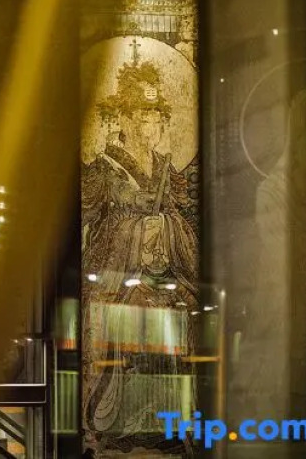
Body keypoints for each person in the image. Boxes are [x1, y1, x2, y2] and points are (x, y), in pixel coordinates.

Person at [82, 56, 198, 455]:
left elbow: (183, 217)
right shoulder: (105, 169)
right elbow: (86, 220)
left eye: (157, 116)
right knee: (133, 314)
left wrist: (164, 226)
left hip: (163, 274)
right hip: (119, 278)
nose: (152, 125)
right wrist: (135, 230)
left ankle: (167, 425)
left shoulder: (165, 167)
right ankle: (117, 426)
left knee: (182, 309)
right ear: (124, 118)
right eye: (143, 115)